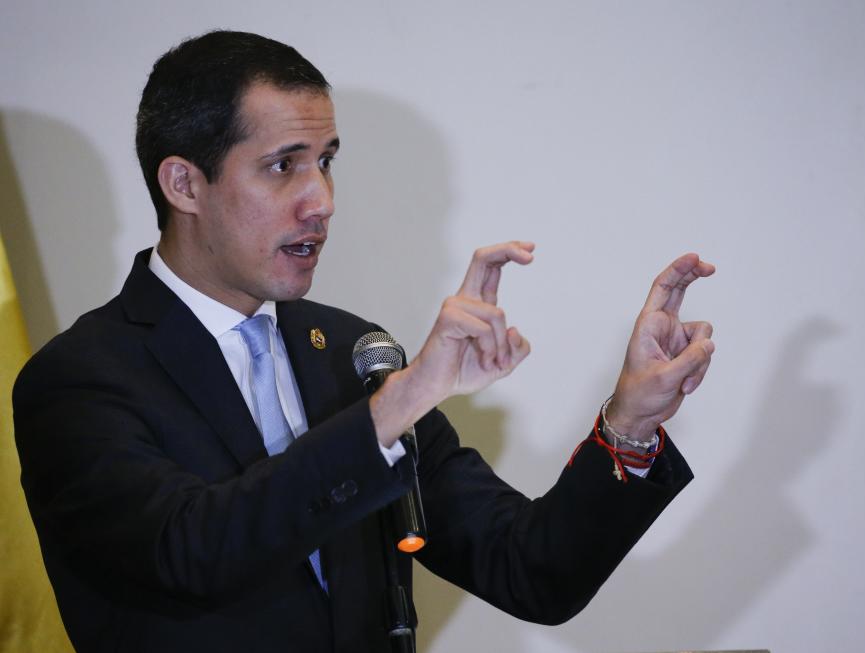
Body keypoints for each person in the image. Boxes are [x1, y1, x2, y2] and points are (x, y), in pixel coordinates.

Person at [13, 31, 715, 653]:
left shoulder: (349, 352)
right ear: (184, 183)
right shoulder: (77, 381)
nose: (321, 199)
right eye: (284, 164)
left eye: (326, 161)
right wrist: (399, 401)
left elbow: (529, 570)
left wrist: (630, 426)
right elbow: (192, 553)